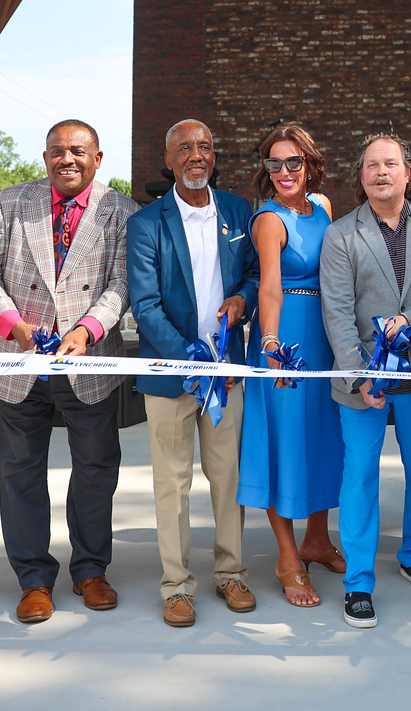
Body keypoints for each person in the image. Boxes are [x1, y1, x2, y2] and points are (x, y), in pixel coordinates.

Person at [0, 120, 138, 624]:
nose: (68, 159)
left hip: (89, 364)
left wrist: (87, 329)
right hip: (19, 362)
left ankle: (90, 570)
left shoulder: (120, 211)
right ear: (44, 158)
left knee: (96, 470)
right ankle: (33, 579)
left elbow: (122, 281)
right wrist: (13, 324)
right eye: (58, 151)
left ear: (98, 157)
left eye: (79, 151)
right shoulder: (10, 201)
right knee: (20, 474)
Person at [320, 133, 411, 628]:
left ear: (408, 172)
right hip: (362, 382)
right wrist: (359, 372)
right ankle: (358, 583)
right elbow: (336, 312)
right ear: (361, 177)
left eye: (391, 163)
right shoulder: (340, 235)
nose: (382, 172)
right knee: (359, 475)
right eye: (372, 165)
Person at [129, 120, 261, 626]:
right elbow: (144, 304)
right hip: (171, 375)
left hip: (227, 372)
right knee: (172, 484)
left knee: (228, 479)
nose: (196, 155)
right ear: (169, 158)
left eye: (204, 146)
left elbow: (251, 273)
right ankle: (176, 585)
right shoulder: (146, 223)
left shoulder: (235, 210)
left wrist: (242, 299)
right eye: (184, 147)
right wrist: (190, 358)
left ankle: (231, 574)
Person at [239, 123, 346, 607]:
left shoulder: (322, 207)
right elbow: (269, 288)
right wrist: (270, 344)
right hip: (285, 338)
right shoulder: (268, 219)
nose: (284, 172)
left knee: (323, 436)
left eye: (293, 162)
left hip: (325, 334)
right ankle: (287, 557)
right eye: (275, 163)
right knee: (282, 444)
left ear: (310, 164)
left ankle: (317, 540)